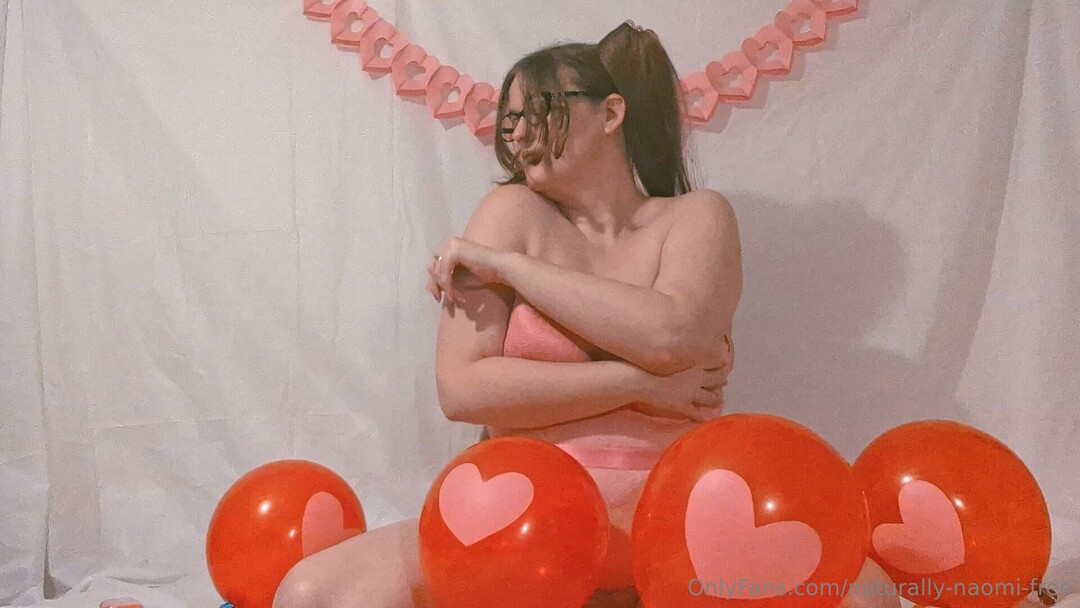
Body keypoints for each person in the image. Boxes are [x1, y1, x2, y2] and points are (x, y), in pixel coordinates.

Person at [273, 21, 893, 608]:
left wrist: (511, 268)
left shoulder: (696, 216)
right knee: (313, 595)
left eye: (538, 110)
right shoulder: (510, 214)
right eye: (509, 120)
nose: (517, 134)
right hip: (518, 529)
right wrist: (640, 385)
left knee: (870, 596)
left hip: (681, 528)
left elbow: (673, 334)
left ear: (611, 114)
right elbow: (462, 389)